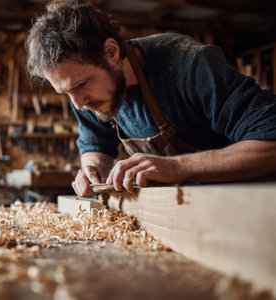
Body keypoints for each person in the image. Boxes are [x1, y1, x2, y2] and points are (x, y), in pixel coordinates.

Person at [25, 0, 276, 197]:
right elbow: (96, 143)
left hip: (250, 205)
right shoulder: (84, 93)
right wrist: (93, 170)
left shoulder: (189, 65)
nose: (78, 104)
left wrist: (176, 168)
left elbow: (270, 143)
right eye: (66, 92)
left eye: (80, 86)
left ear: (111, 52)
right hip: (184, 210)